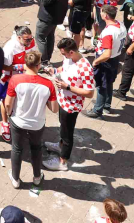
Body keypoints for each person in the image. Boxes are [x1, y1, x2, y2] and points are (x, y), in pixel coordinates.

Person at [5, 49, 57, 188]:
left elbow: (8, 103)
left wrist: (9, 114)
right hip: (37, 124)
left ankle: (15, 179)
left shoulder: (15, 80)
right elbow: (54, 109)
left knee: (16, 149)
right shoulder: (48, 84)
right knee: (36, 148)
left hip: (18, 121)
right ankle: (37, 177)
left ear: (25, 64)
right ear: (39, 65)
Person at [43, 37, 94, 172]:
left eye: (64, 53)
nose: (63, 56)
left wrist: (68, 87)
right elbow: (63, 69)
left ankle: (62, 162)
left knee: (67, 134)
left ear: (71, 52)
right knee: (62, 127)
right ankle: (60, 145)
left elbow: (89, 93)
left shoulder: (85, 68)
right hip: (63, 100)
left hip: (71, 106)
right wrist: (54, 71)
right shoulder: (69, 59)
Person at [85, 4, 125, 118]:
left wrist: (96, 62)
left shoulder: (109, 32)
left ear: (105, 15)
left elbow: (106, 54)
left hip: (106, 61)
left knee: (101, 86)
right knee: (109, 83)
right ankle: (106, 105)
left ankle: (97, 110)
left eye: (101, 12)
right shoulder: (120, 25)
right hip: (115, 58)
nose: (100, 13)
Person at [36, 0, 70, 64]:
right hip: (56, 17)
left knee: (40, 37)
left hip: (47, 18)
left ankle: (44, 62)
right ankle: (47, 59)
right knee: (50, 37)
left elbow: (44, 1)